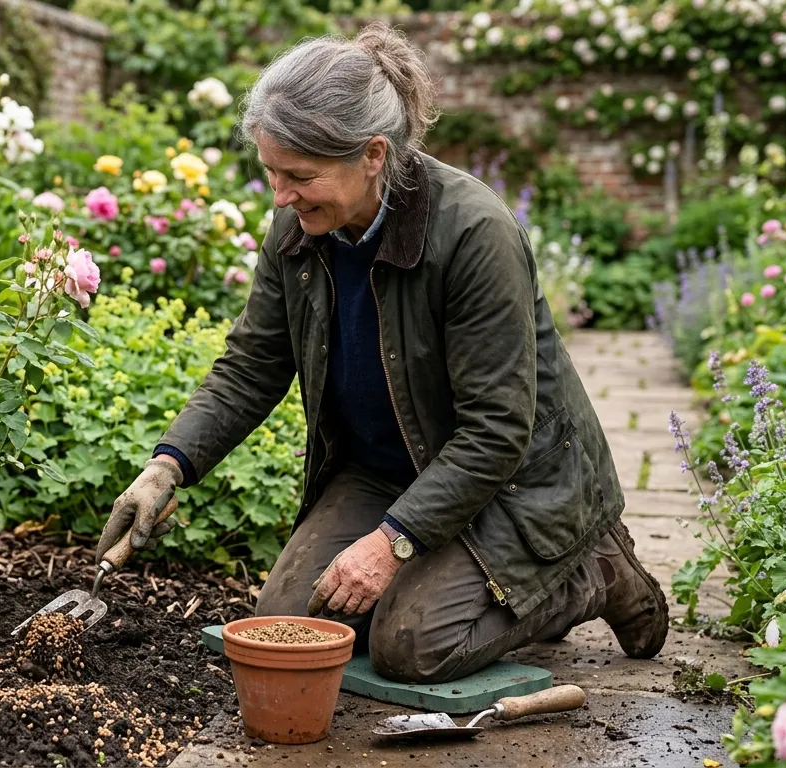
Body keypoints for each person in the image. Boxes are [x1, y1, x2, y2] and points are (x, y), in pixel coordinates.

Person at [94, 23, 668, 684]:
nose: (280, 196)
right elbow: (251, 367)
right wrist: (169, 465)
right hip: (387, 473)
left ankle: (592, 570)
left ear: (372, 155)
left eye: (300, 176)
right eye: (271, 172)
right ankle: (451, 565)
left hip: (517, 487)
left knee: (412, 645)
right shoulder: (299, 230)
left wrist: (390, 544)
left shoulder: (474, 234)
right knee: (294, 622)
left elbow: (498, 431)